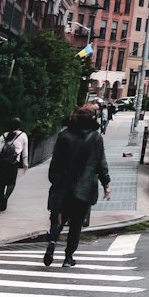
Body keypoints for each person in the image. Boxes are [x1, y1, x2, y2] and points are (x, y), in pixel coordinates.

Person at [43, 104, 111, 268]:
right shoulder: (96, 138)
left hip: (63, 185)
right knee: (76, 224)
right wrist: (106, 184)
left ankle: (52, 242)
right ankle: (68, 258)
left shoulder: (64, 135)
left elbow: (55, 161)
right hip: (84, 187)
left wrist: (55, 180)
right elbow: (101, 163)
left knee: (58, 218)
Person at [0, 119, 28, 212]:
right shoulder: (23, 135)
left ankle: (0, 206)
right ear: (19, 125)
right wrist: (25, 164)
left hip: (1, 163)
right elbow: (25, 152)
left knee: (1, 184)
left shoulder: (4, 135)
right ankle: (6, 197)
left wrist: (1, 158)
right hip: (12, 163)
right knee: (11, 183)